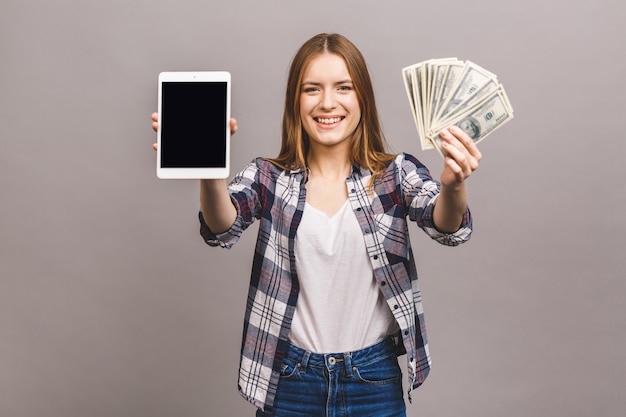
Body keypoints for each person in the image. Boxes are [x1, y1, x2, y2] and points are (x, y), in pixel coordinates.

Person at [151, 33, 481, 417]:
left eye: (343, 87)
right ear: (296, 100)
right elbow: (221, 225)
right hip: (290, 380)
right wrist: (210, 170)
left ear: (362, 99)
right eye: (312, 89)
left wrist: (454, 184)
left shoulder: (395, 174)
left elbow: (445, 223)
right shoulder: (268, 178)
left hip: (373, 380)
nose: (328, 102)